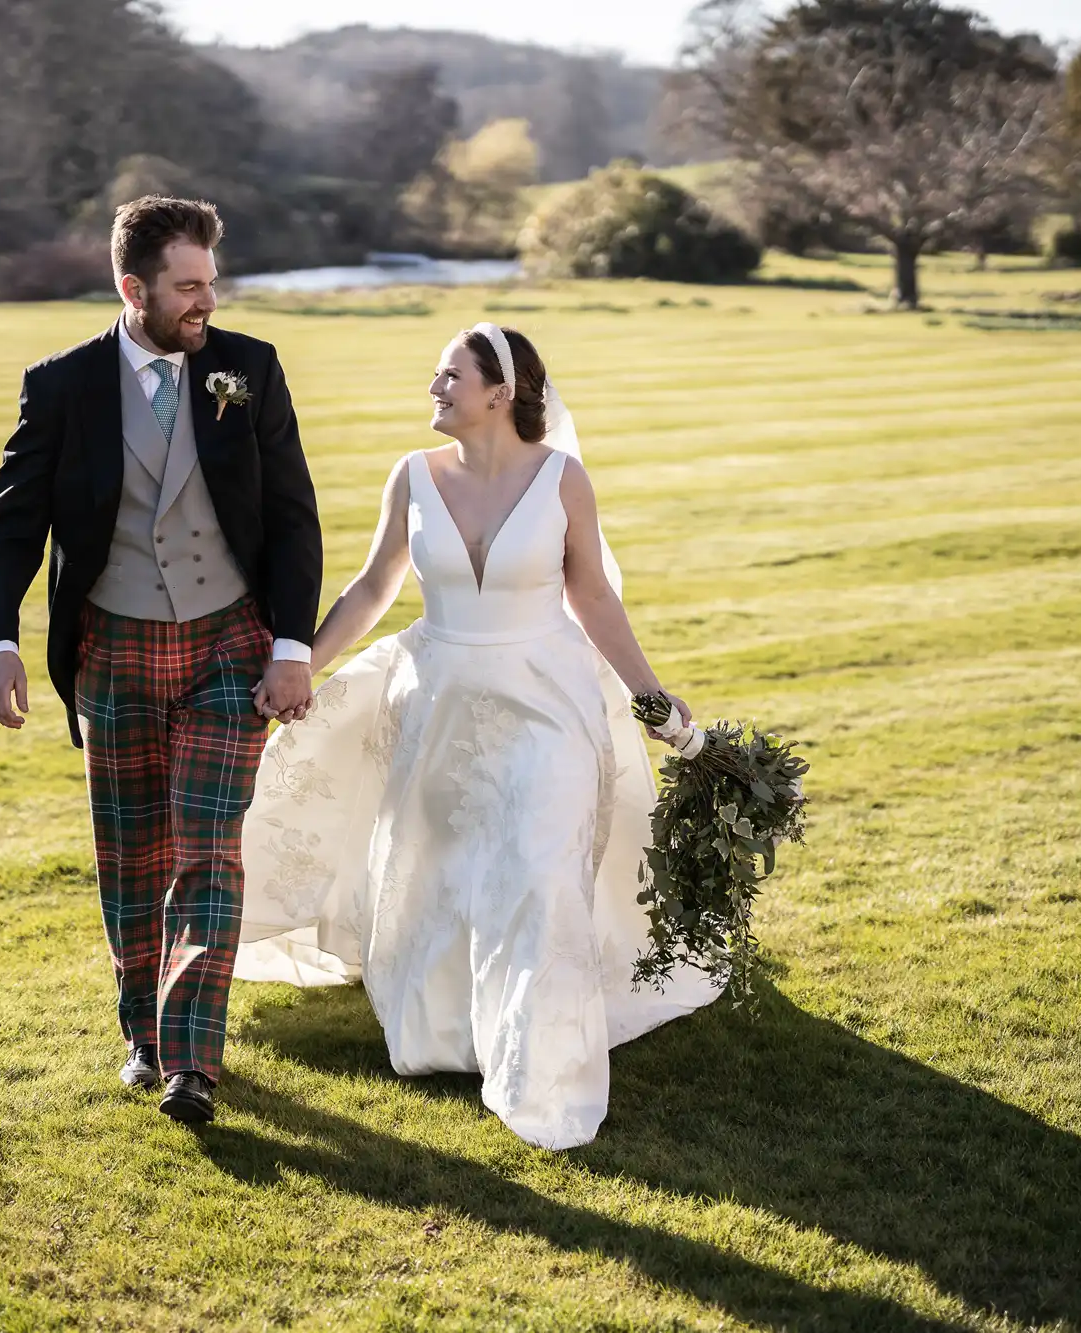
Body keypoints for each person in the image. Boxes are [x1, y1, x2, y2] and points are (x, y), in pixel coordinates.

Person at [237, 323, 722, 1149]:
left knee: (537, 861)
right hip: (440, 702)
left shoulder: (563, 479)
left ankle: (543, 1063)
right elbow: (371, 587)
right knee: (441, 868)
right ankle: (450, 1033)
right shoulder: (413, 476)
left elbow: (593, 597)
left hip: (546, 698)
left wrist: (652, 698)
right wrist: (301, 666)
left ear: (502, 392)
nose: (434, 388)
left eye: (449, 375)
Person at [0, 196, 323, 1124]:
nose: (208, 301)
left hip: (227, 645)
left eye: (213, 282)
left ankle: (192, 1065)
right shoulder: (62, 386)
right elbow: (8, 530)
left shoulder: (249, 367)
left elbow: (292, 514)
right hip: (114, 648)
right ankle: (144, 1037)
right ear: (134, 288)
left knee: (207, 849)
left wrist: (292, 646)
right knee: (131, 854)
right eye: (189, 286)